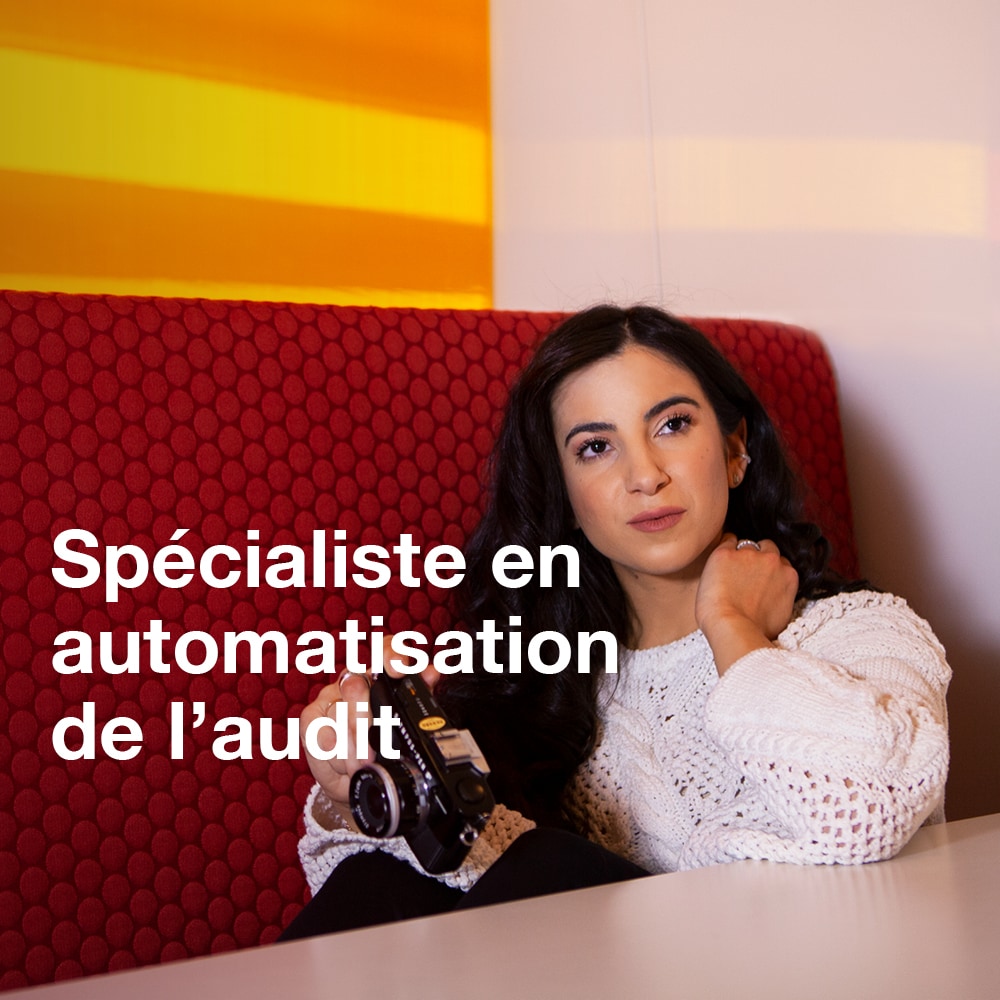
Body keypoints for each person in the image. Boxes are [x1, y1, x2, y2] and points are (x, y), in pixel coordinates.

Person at [281, 305, 950, 939]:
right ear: (566, 495)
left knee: (549, 867)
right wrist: (367, 782)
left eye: (673, 425)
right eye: (596, 447)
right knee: (385, 878)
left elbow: (870, 813)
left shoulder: (863, 633)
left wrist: (733, 628)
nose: (645, 475)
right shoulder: (554, 688)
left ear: (734, 449)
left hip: (822, 968)